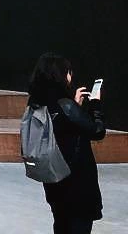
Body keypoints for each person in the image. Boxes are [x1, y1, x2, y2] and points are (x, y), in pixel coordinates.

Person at [27, 53, 106, 234]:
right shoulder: (65, 105)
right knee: (78, 225)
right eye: (68, 72)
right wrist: (95, 104)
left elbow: (63, 128)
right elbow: (97, 131)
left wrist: (75, 105)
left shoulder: (36, 104)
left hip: (53, 177)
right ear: (60, 74)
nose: (71, 76)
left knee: (61, 223)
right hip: (76, 181)